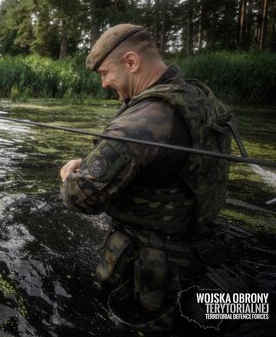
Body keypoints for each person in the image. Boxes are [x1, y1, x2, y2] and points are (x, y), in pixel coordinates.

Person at [59, 24, 233, 331]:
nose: (103, 84)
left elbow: (80, 198)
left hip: (153, 276)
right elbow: (163, 163)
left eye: (105, 73)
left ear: (131, 62)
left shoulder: (143, 120)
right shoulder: (198, 97)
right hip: (201, 253)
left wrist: (71, 175)